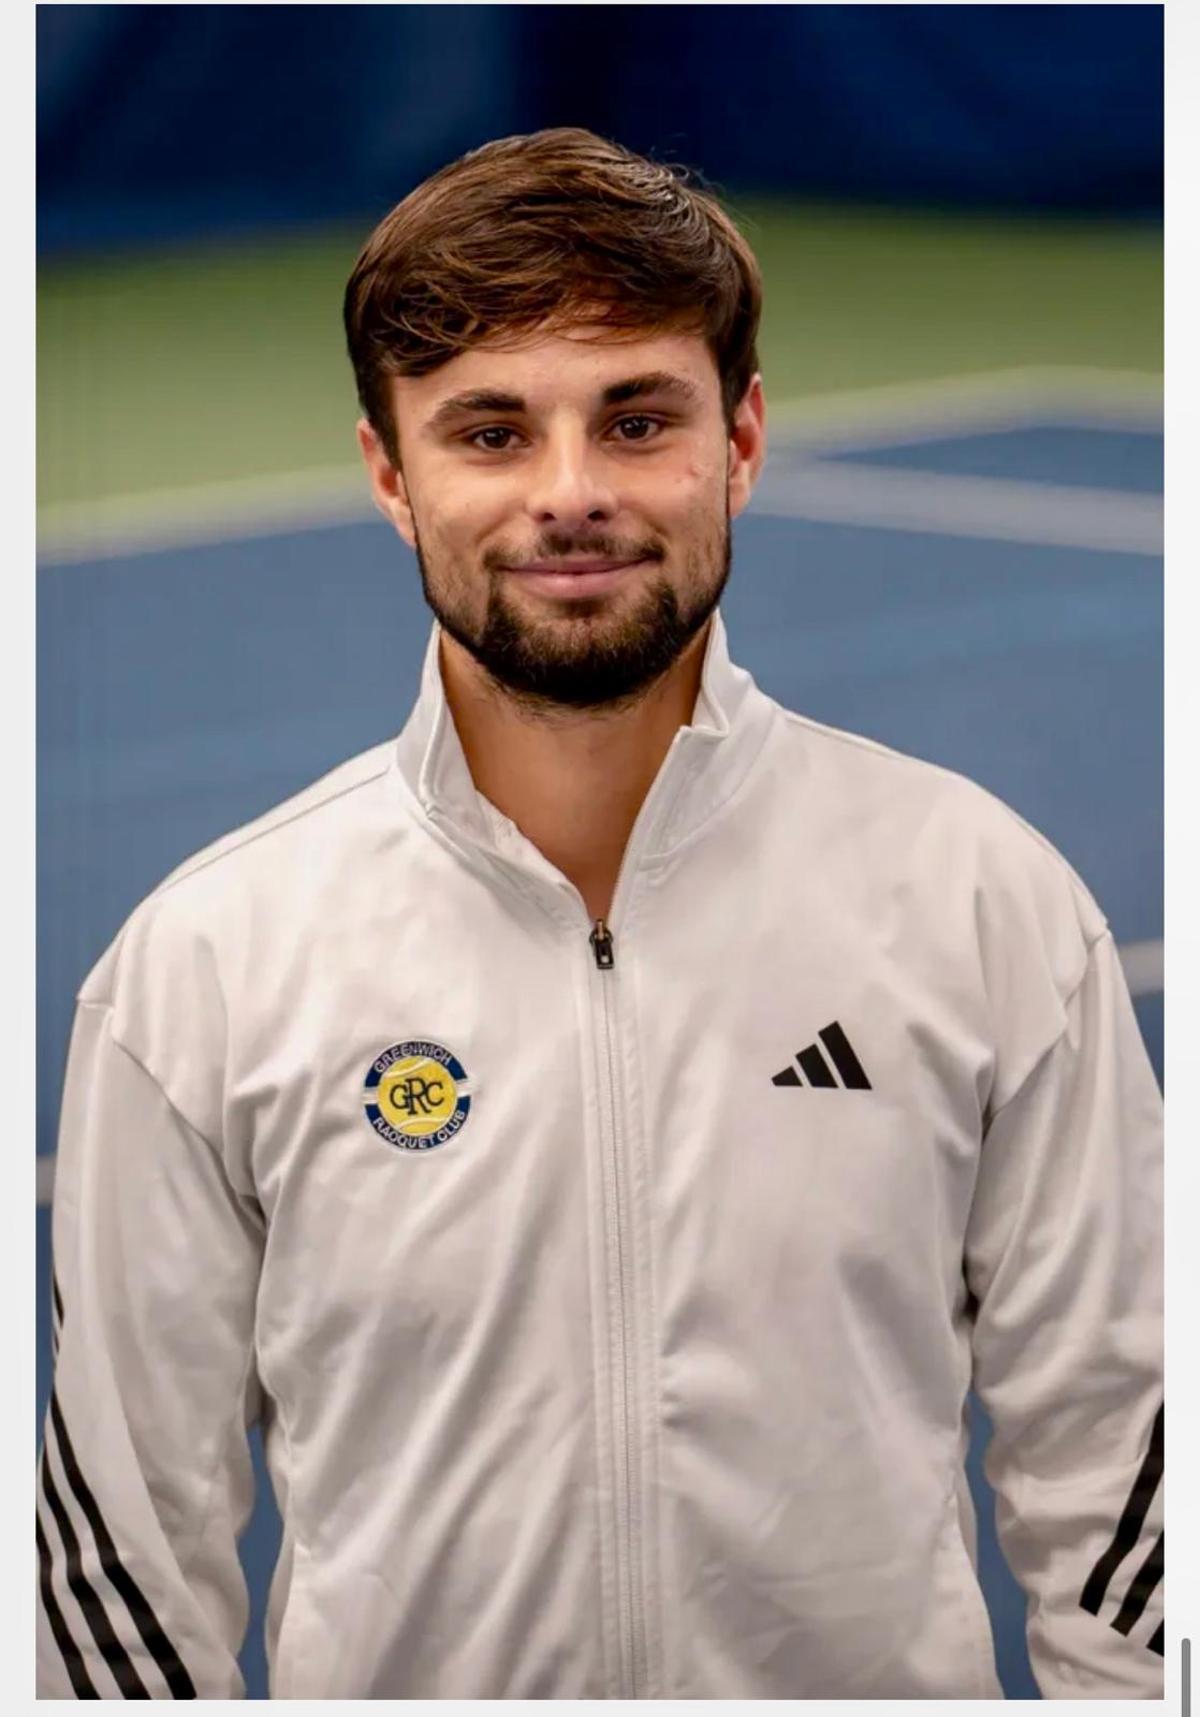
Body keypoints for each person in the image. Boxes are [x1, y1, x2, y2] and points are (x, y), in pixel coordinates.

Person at [36, 127, 1163, 1700]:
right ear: (386, 471)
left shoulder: (981, 901)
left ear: (744, 439)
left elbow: (1130, 1481)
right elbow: (119, 1581)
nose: (570, 496)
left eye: (636, 419)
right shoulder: (205, 968)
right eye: (489, 433)